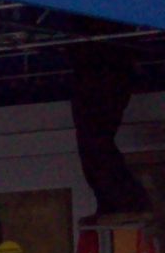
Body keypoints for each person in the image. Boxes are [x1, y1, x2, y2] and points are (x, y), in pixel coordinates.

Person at [65, 36, 154, 224]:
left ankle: (128, 202)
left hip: (104, 72)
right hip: (97, 71)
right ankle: (113, 203)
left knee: (96, 141)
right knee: (91, 142)